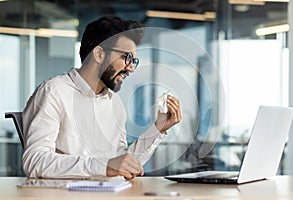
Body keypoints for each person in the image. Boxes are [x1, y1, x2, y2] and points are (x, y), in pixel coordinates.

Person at [22, 16, 182, 180]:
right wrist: (102, 166)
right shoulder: (53, 91)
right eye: (126, 57)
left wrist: (158, 129)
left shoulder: (114, 103)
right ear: (99, 54)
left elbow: (122, 164)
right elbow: (35, 160)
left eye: (134, 60)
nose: (131, 68)